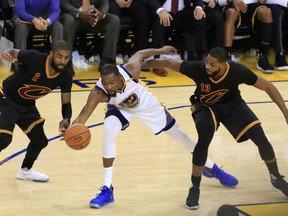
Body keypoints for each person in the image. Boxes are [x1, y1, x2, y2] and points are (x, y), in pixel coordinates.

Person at [61, 46, 238, 209]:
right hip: (120, 108)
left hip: (146, 105)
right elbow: (84, 114)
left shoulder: (131, 70)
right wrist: (72, 128)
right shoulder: (98, 93)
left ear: (119, 78)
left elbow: (141, 54)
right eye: (105, 83)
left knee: (180, 137)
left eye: (112, 83)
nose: (108, 87)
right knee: (108, 130)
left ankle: (212, 168)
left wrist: (161, 49)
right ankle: (107, 190)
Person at [142, 46, 288, 210]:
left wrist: (285, 112)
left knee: (261, 138)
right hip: (205, 106)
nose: (207, 66)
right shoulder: (198, 68)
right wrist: (135, 66)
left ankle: (276, 177)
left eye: (212, 64)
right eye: (207, 62)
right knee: (204, 137)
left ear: (224, 64)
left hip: (232, 104)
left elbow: (268, 86)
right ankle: (194, 187)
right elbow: (168, 62)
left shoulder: (238, 71)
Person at [0, 40, 74, 182]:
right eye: (59, 56)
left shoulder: (65, 76)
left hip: (27, 105)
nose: (62, 61)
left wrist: (66, 119)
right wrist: (8, 53)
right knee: (3, 139)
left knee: (40, 141)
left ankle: (25, 171)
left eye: (66, 58)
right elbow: (14, 52)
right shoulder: (35, 58)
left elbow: (66, 102)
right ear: (51, 54)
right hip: (7, 98)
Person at [145, 0, 207, 76]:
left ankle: (198, 60)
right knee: (158, 21)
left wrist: (198, 7)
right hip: (162, 11)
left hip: (182, 12)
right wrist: (160, 10)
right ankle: (157, 62)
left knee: (199, 17)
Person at [60, 0, 120, 72]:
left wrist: (101, 14)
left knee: (114, 21)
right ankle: (67, 62)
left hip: (92, 16)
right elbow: (64, 4)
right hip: (73, 15)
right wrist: (79, 14)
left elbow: (104, 3)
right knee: (69, 22)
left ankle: (107, 62)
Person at [219, 0, 274, 73]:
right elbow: (219, 2)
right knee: (231, 12)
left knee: (266, 12)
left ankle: (263, 56)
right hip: (232, 5)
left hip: (253, 5)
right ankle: (227, 56)